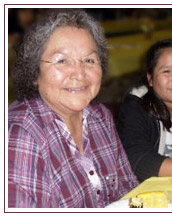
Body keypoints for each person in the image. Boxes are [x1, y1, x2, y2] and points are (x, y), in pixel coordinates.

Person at [8, 9, 138, 208]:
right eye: (62, 60)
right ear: (34, 73)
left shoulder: (100, 116)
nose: (79, 73)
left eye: (89, 60)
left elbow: (128, 189)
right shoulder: (20, 135)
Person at [117, 39, 172, 182]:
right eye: (167, 71)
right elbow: (138, 162)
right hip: (144, 191)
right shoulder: (135, 108)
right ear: (150, 79)